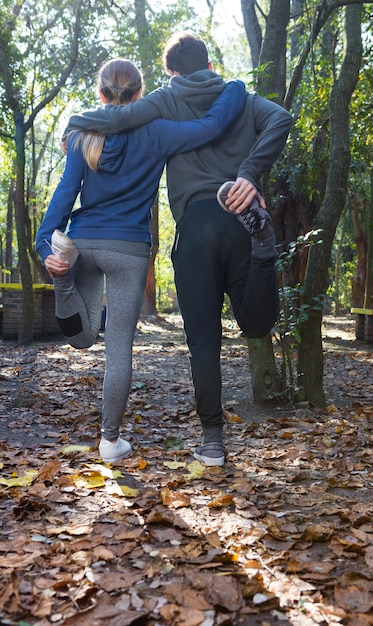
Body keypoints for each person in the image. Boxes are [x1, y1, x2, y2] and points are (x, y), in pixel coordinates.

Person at [64, 33, 293, 467]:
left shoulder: (165, 99)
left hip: (194, 226)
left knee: (203, 339)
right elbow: (282, 117)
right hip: (240, 218)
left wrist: (75, 122)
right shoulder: (238, 96)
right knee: (257, 323)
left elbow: (115, 119)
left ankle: (212, 444)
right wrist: (248, 174)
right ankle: (265, 249)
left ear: (171, 71)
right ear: (207, 62)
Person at [35, 57, 246, 463]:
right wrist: (234, 86)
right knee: (118, 352)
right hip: (128, 250)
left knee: (80, 340)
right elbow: (212, 126)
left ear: (101, 93)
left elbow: (63, 195)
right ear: (140, 94)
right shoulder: (159, 131)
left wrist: (47, 248)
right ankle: (110, 442)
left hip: (82, 242)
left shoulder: (82, 136)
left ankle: (62, 278)